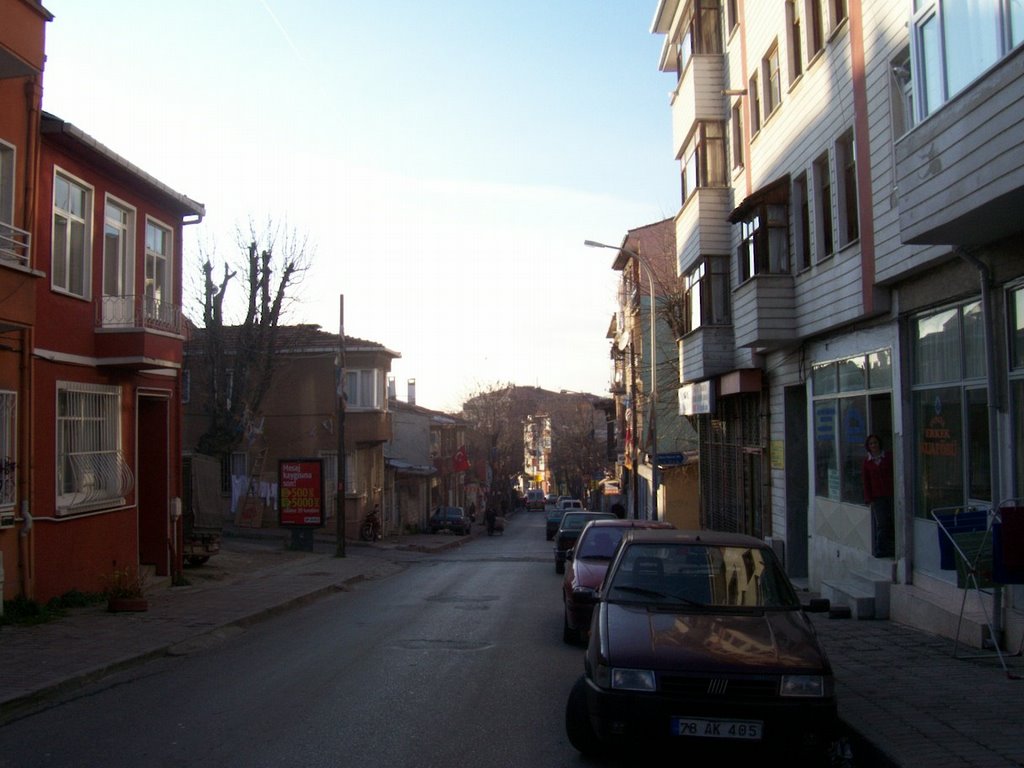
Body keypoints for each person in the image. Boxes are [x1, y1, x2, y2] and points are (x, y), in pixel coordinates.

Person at [863, 434, 895, 557]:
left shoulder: (888, 457)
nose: (874, 446)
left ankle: (891, 546)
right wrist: (868, 498)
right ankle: (881, 549)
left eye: (875, 443)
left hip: (891, 494)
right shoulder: (867, 462)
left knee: (892, 520)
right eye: (871, 444)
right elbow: (866, 481)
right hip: (877, 497)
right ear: (868, 447)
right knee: (882, 523)